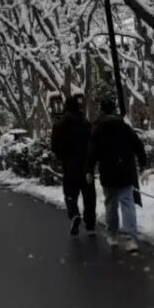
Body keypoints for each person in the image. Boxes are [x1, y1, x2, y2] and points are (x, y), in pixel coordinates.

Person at [85, 96, 147, 252]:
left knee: (111, 203)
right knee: (127, 203)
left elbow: (92, 152)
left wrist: (89, 170)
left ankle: (113, 235)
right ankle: (131, 237)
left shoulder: (98, 128)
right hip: (125, 170)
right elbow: (138, 145)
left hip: (108, 171)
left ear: (102, 110)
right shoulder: (124, 127)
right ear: (114, 110)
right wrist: (143, 164)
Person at [51, 95, 96, 235]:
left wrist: (61, 156)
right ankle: (90, 223)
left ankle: (74, 214)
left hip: (69, 165)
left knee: (70, 194)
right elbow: (93, 143)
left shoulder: (59, 126)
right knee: (89, 195)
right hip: (86, 165)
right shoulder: (86, 124)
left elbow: (54, 147)